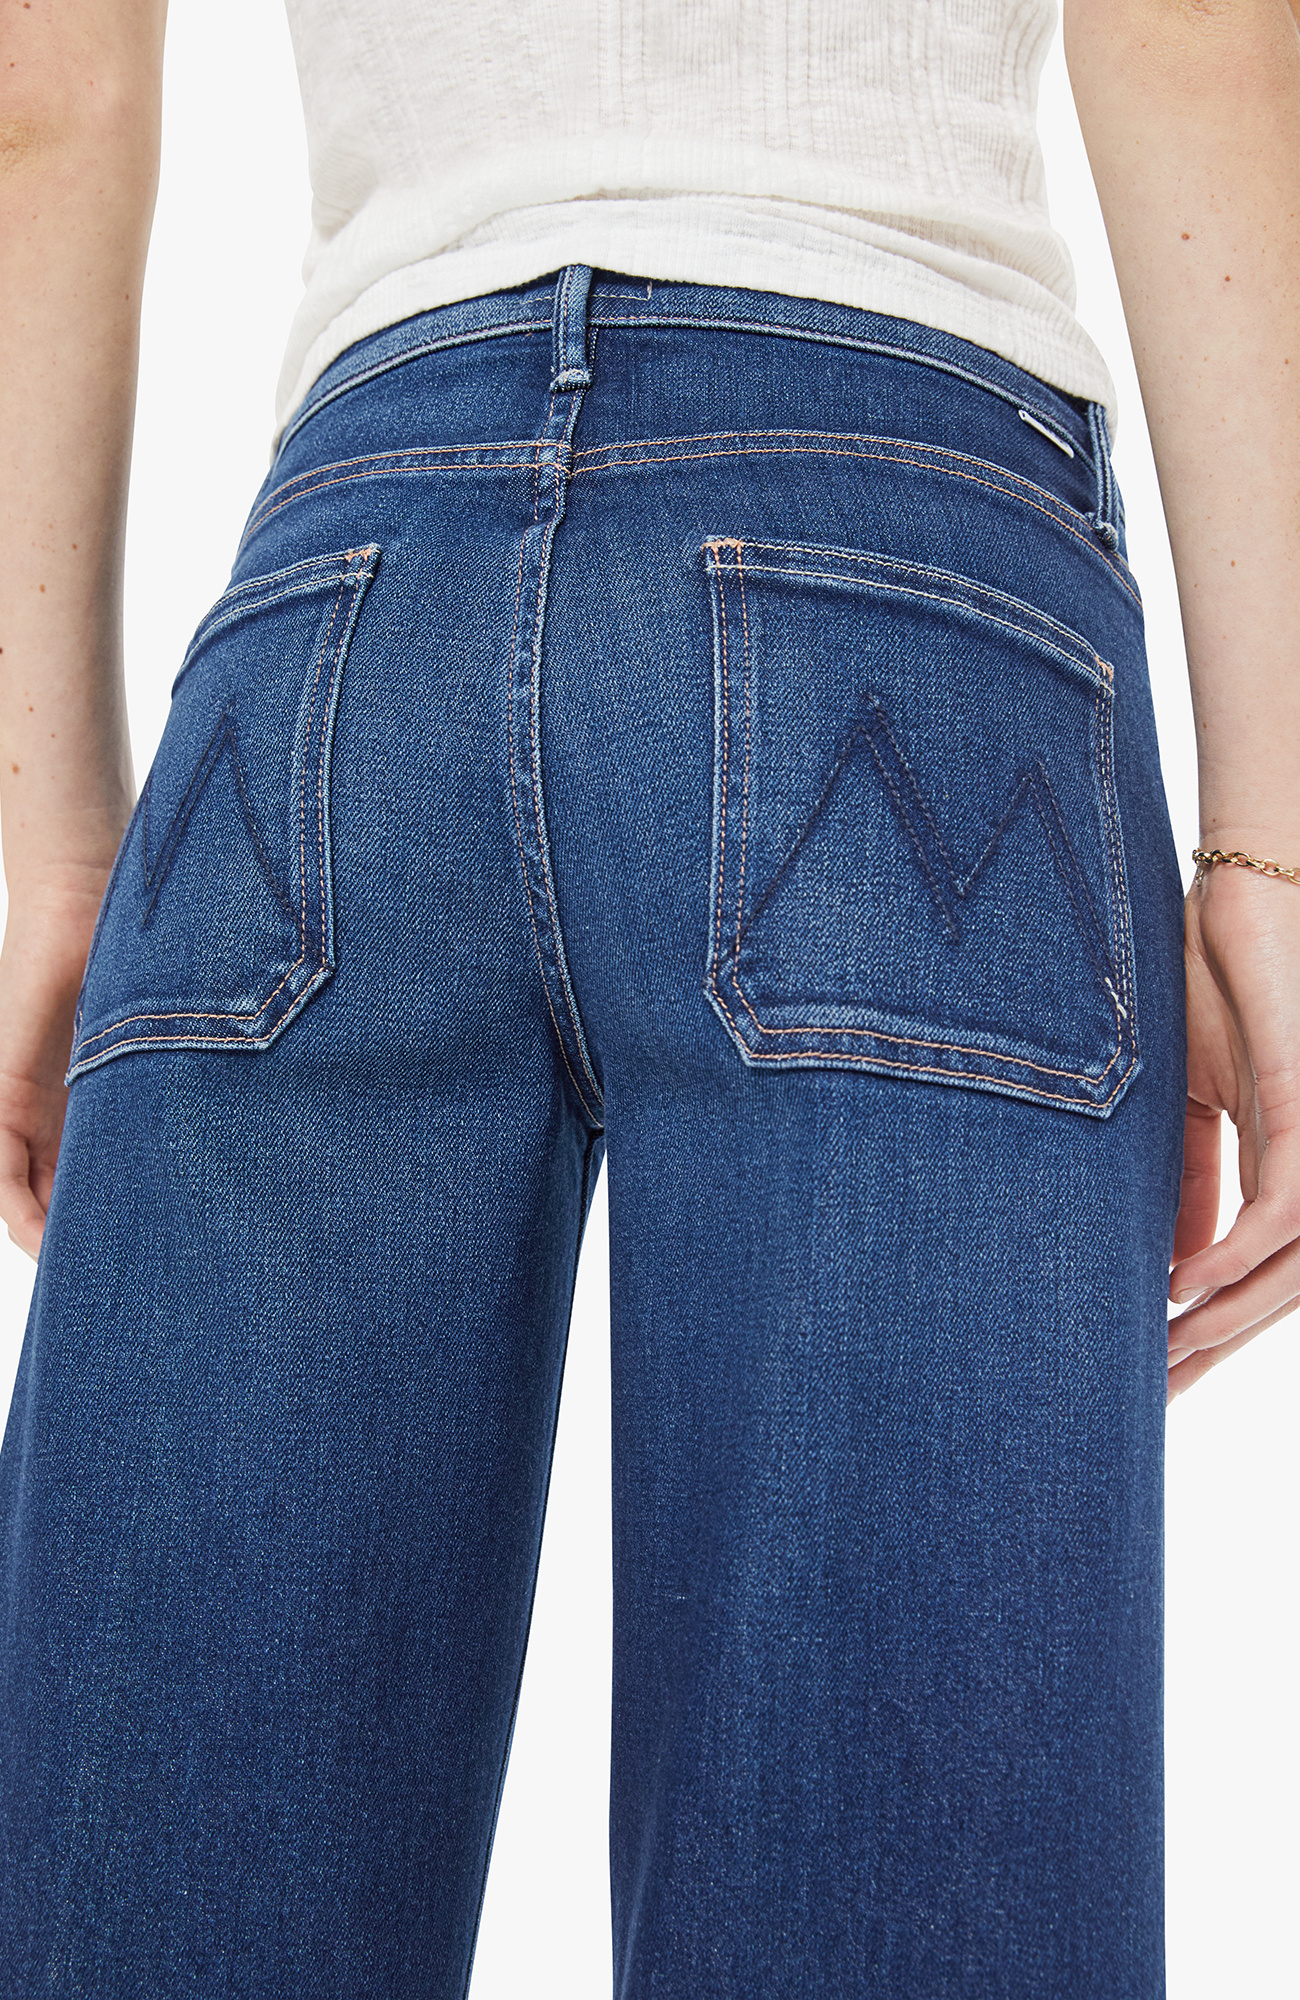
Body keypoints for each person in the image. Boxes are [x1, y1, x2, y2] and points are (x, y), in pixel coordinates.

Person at [1, 0, 1297, 1992]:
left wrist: (60, 861)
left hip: (336, 636)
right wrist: (1272, 859)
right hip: (905, 582)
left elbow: (38, 91)